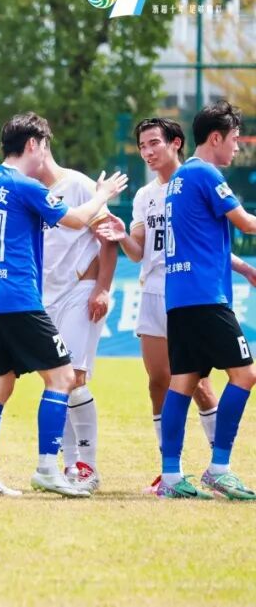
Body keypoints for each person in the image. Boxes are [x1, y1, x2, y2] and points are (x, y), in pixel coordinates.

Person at [0, 112, 126, 498]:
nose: (45, 155)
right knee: (63, 378)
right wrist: (103, 195)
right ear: (33, 144)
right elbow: (75, 219)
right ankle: (47, 468)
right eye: (43, 146)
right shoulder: (25, 185)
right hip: (21, 299)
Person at [94, 117, 237, 491]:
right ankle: (170, 471)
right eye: (142, 146)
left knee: (198, 383)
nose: (147, 152)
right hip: (154, 293)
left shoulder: (193, 181)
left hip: (189, 291)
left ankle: (219, 464)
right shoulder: (145, 196)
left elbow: (208, 243)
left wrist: (240, 267)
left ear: (176, 143)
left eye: (154, 143)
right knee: (159, 381)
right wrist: (122, 235)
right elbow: (138, 252)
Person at [154, 101, 256, 499]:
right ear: (215, 138)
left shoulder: (179, 180)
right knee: (245, 375)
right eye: (234, 139)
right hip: (205, 297)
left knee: (182, 383)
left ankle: (171, 477)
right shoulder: (205, 173)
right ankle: (219, 468)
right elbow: (245, 223)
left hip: (181, 297)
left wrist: (243, 269)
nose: (237, 147)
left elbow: (201, 241)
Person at [37, 141, 118, 492]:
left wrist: (102, 288)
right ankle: (69, 466)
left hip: (80, 291)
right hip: (45, 298)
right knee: (59, 381)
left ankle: (87, 466)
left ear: (39, 146)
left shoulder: (80, 185)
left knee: (74, 377)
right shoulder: (30, 191)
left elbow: (109, 240)